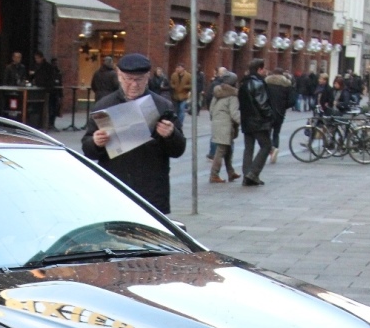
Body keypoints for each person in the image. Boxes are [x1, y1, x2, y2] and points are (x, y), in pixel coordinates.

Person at [82, 53, 186, 213]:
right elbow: (88, 149)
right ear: (119, 75)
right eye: (128, 79)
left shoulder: (162, 106)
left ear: (147, 78)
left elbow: (178, 150)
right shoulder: (104, 105)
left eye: (139, 80)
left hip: (151, 191)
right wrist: (95, 142)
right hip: (115, 188)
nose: (133, 85)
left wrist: (171, 135)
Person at [238, 59, 274, 186]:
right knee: (266, 146)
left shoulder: (243, 83)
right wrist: (270, 116)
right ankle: (252, 173)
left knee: (249, 148)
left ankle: (247, 175)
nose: (265, 72)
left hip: (246, 121)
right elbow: (262, 103)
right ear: (259, 69)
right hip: (258, 121)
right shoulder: (258, 83)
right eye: (263, 69)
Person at [208, 73, 240, 183]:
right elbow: (234, 113)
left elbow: (211, 109)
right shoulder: (233, 96)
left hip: (217, 123)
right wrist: (243, 121)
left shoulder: (217, 92)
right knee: (221, 150)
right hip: (226, 125)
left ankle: (231, 172)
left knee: (228, 149)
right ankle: (214, 174)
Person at [264, 68, 294, 165]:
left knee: (266, 133)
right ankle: (275, 148)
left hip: (267, 112)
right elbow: (292, 101)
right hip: (280, 113)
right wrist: (284, 106)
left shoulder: (266, 83)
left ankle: (269, 150)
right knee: (276, 133)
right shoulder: (287, 85)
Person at [30, 52, 60, 127]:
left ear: (41, 58)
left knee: (46, 108)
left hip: (46, 90)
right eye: (35, 58)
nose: (36, 60)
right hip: (40, 89)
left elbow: (48, 79)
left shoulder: (47, 67)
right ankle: (41, 123)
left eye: (37, 58)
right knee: (41, 107)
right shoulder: (37, 66)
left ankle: (45, 124)